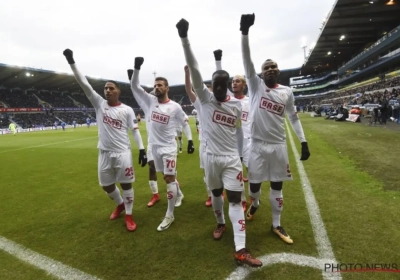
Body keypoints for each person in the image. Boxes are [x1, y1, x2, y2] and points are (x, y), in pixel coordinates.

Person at [177, 18, 262, 267]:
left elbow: (237, 132)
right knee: (216, 194)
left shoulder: (236, 105)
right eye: (213, 84)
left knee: (235, 200)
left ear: (226, 86)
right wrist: (184, 38)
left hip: (231, 160)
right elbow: (194, 68)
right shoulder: (205, 99)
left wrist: (240, 155)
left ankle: (241, 249)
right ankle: (220, 223)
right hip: (210, 158)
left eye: (220, 84)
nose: (216, 88)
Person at [240, 14, 310, 244]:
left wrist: (303, 141)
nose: (270, 69)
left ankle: (277, 225)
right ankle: (256, 204)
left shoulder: (287, 92)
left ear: (278, 72)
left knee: (278, 186)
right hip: (257, 146)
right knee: (255, 187)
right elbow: (247, 59)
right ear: (260, 74)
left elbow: (293, 116)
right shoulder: (255, 86)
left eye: (274, 67)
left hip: (278, 146)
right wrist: (245, 32)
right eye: (266, 67)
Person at [63, 49, 147, 232]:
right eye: (106, 88)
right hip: (104, 153)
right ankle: (120, 204)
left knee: (126, 184)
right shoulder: (99, 103)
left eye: (111, 88)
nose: (107, 91)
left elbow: (134, 131)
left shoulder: (127, 110)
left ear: (118, 91)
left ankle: (129, 215)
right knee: (106, 185)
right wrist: (71, 61)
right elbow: (83, 83)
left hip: (122, 153)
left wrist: (141, 149)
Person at [129, 59, 195, 231]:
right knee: (164, 175)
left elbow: (185, 123)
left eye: (160, 85)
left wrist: (189, 140)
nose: (157, 87)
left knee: (169, 179)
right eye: (155, 85)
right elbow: (135, 87)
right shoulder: (149, 101)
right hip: (153, 147)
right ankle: (179, 194)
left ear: (167, 88)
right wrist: (137, 69)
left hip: (168, 148)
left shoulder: (175, 107)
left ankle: (169, 215)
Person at [213, 49, 250, 212]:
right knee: (238, 173)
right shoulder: (230, 99)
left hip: (250, 142)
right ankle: (241, 199)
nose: (234, 83)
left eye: (237, 81)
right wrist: (218, 60)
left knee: (252, 175)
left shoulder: (250, 101)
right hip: (232, 143)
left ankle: (254, 200)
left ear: (244, 85)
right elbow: (220, 77)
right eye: (232, 81)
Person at [184, 65, 213, 207]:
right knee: (207, 171)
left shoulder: (221, 103)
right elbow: (189, 90)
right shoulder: (200, 105)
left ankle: (222, 191)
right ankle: (210, 195)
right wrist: (187, 73)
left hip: (221, 142)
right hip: (204, 143)